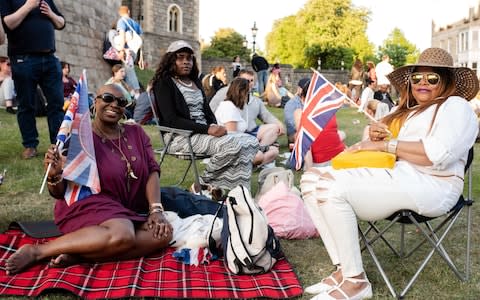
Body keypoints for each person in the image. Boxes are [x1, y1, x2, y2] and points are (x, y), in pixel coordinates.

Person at [299, 48, 479, 299]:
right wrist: (382, 136)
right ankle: (344, 269)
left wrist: (387, 145)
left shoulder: (456, 106)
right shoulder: (413, 111)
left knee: (330, 184)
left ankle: (356, 283)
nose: (422, 83)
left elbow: (437, 154)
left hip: (434, 186)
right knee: (310, 180)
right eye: (416, 78)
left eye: (432, 78)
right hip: (401, 176)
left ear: (446, 81)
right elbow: (396, 149)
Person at [5, 84, 173, 275]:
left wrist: (156, 209)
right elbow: (59, 193)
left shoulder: (137, 134)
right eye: (108, 98)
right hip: (87, 202)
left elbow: (152, 171)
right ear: (95, 102)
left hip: (126, 207)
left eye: (121, 102)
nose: (114, 104)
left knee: (163, 234)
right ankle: (38, 251)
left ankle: (80, 254)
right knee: (123, 233)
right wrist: (54, 175)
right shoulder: (78, 138)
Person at [151, 40, 259, 191]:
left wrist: (214, 125)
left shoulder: (195, 81)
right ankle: (201, 183)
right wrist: (207, 129)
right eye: (180, 57)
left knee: (250, 141)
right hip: (180, 137)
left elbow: (207, 112)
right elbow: (171, 120)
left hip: (203, 133)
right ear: (171, 60)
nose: (185, 62)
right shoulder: (164, 83)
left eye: (189, 58)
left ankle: (235, 190)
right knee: (232, 145)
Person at [0, 0, 66, 159]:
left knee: (56, 103)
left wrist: (50, 14)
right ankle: (30, 145)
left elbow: (61, 22)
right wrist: (29, 5)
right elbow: (7, 24)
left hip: (50, 58)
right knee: (26, 105)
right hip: (23, 58)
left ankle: (58, 145)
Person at [210, 69, 284, 152]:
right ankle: (257, 152)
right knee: (272, 150)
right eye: (246, 80)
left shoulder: (255, 100)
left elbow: (266, 115)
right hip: (230, 133)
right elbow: (210, 111)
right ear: (237, 80)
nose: (249, 83)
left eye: (251, 80)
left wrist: (279, 124)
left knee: (275, 128)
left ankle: (259, 150)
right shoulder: (224, 93)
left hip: (251, 131)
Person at [215, 77, 278, 167]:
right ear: (240, 92)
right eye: (247, 92)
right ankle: (246, 166)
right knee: (260, 155)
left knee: (274, 150)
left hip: (243, 142)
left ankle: (250, 165)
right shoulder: (228, 107)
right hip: (232, 148)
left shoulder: (237, 106)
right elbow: (232, 138)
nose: (248, 95)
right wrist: (254, 146)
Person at [290, 79, 345, 170]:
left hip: (321, 163)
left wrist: (310, 170)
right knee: (341, 134)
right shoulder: (328, 109)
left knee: (298, 137)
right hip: (339, 157)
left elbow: (305, 142)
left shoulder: (300, 113)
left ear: (303, 98)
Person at [116, 5, 142, 93]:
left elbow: (122, 35)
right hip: (134, 51)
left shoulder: (121, 21)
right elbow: (140, 38)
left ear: (120, 13)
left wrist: (121, 50)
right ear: (129, 12)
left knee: (129, 73)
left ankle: (136, 93)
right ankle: (130, 93)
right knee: (127, 72)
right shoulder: (135, 23)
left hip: (127, 51)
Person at [284, 78, 309, 144]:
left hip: (310, 131)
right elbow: (291, 122)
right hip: (294, 133)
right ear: (299, 89)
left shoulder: (310, 102)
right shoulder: (291, 103)